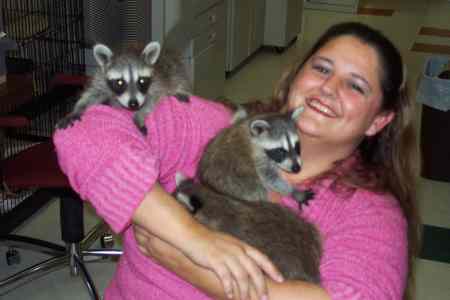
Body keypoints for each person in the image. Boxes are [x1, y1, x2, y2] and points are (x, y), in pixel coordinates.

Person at [53, 21, 420, 300]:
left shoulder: (371, 214)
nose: (328, 88)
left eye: (356, 86)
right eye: (322, 69)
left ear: (379, 120)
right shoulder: (219, 127)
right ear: (296, 77)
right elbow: (83, 134)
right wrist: (192, 236)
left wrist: (194, 265)